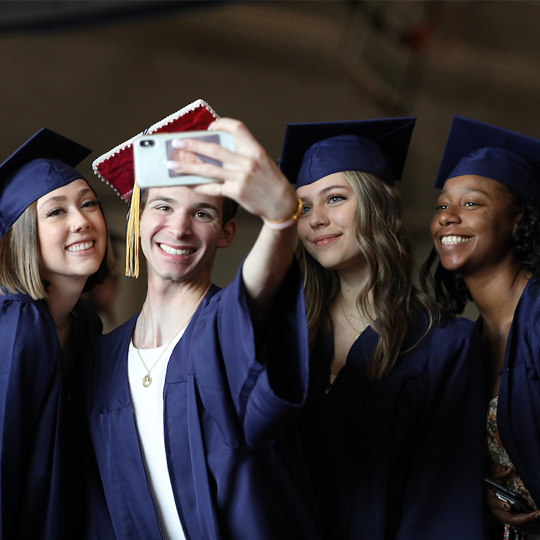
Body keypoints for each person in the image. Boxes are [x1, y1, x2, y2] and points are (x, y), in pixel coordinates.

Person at [82, 100, 321, 540]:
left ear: (227, 233)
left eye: (203, 213)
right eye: (163, 207)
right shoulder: (100, 358)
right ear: (137, 219)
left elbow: (256, 289)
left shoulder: (227, 328)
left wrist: (279, 220)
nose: (179, 228)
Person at [278, 118, 489, 539]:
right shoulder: (282, 334)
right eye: (303, 207)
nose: (315, 219)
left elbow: (444, 502)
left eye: (334, 198)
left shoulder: (445, 345)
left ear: (380, 206)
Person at [421, 115, 540, 540]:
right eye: (441, 205)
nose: (448, 217)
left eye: (471, 203)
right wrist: (493, 493)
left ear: (516, 220)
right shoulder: (469, 339)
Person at [0, 128, 115, 540]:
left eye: (89, 204)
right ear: (23, 235)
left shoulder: (85, 322)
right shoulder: (15, 324)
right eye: (56, 211)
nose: (82, 221)